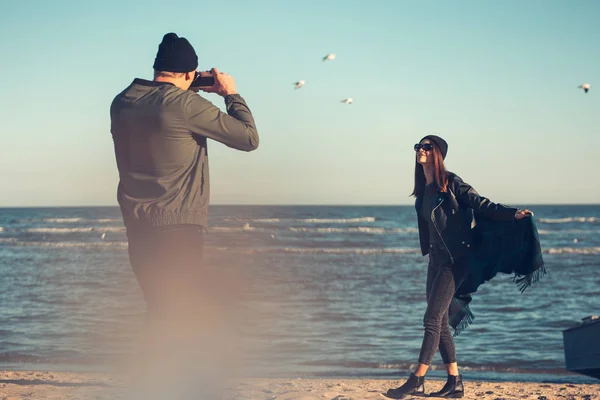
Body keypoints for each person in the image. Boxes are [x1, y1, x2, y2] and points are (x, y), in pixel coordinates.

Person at [110, 32, 259, 316]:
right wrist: (230, 94)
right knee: (180, 316)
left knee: (160, 309)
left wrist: (186, 89)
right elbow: (249, 138)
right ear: (190, 73)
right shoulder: (185, 106)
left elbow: (160, 112)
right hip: (177, 232)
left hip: (138, 228)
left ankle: (149, 362)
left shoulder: (121, 103)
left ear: (157, 69)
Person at [384, 135, 533, 399]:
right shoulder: (423, 192)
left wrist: (512, 214)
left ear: (437, 153)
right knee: (439, 319)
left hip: (457, 259)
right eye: (418, 146)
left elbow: (481, 204)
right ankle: (455, 382)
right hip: (436, 260)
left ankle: (417, 379)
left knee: (431, 318)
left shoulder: (450, 183)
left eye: (426, 147)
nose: (421, 150)